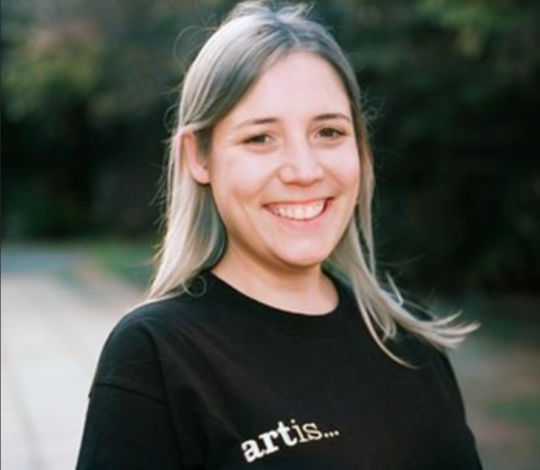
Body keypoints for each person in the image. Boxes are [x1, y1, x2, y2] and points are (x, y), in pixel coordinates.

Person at [76, 1, 483, 469]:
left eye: (328, 132)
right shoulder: (155, 355)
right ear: (199, 157)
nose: (304, 171)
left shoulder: (409, 340)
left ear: (360, 147)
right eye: (260, 138)